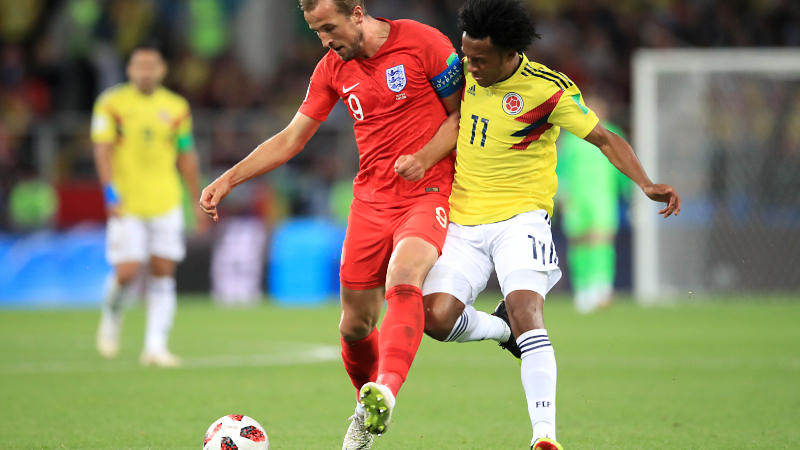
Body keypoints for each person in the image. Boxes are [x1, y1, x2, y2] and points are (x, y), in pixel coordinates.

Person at [396, 1, 681, 449]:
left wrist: (644, 183)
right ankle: (500, 329)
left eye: (479, 59)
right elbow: (457, 121)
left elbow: (603, 138)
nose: (469, 66)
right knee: (435, 318)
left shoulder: (547, 90)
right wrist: (423, 158)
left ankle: (544, 436)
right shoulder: (466, 75)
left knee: (529, 314)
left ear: (509, 53)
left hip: (521, 217)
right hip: (463, 219)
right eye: (466, 55)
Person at [198, 0, 464, 447]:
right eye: (315, 31)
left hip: (428, 189)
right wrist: (228, 179)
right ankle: (366, 408)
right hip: (370, 203)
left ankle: (386, 394)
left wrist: (424, 157)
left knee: (405, 275)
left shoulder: (424, 42)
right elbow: (290, 138)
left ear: (357, 14)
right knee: (354, 325)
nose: (324, 40)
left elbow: (463, 115)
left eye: (328, 28)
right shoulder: (331, 69)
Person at [92, 43, 208, 367]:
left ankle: (155, 347)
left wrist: (196, 199)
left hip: (165, 200)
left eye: (151, 66)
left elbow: (186, 154)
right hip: (127, 201)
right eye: (139, 66)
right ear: (130, 70)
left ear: (161, 70)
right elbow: (102, 150)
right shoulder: (111, 104)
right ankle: (112, 314)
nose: (145, 72)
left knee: (163, 271)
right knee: (127, 272)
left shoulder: (176, 107)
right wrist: (109, 193)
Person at [555, 94, 632, 313]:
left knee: (602, 240)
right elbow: (561, 168)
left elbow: (623, 165)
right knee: (579, 242)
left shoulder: (613, 133)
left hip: (602, 197)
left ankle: (601, 286)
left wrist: (628, 192)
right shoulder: (571, 138)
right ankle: (583, 288)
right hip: (577, 199)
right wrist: (561, 194)